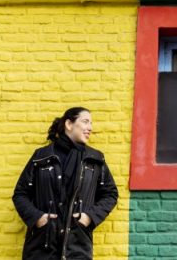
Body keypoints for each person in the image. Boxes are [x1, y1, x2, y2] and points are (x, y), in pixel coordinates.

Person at [13, 107, 118, 260]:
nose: (90, 128)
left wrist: (89, 217)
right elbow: (21, 193)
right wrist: (37, 218)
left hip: (77, 245)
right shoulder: (41, 156)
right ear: (69, 124)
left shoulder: (95, 159)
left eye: (91, 123)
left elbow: (110, 194)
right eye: (85, 121)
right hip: (42, 245)